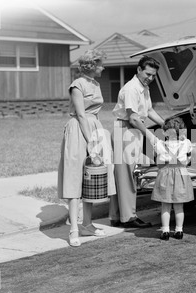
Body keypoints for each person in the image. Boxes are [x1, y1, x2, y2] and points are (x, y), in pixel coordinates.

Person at [57, 49, 116, 247]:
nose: (103, 67)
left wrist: (97, 138)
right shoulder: (77, 85)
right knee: (75, 177)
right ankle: (74, 228)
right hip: (79, 130)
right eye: (100, 64)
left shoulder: (95, 84)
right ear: (91, 65)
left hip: (94, 128)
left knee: (91, 176)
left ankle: (87, 224)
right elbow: (81, 115)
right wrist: (91, 141)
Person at [109, 56, 165, 228]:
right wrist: (152, 138)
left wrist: (165, 124)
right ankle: (129, 218)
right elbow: (133, 118)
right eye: (148, 74)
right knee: (127, 176)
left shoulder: (144, 87)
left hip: (132, 130)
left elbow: (148, 110)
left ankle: (117, 216)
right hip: (126, 130)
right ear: (139, 70)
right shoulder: (132, 89)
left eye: (153, 75)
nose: (150, 78)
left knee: (123, 174)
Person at [145, 117, 194, 240]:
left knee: (165, 206)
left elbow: (156, 157)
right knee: (179, 206)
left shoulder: (160, 145)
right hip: (181, 174)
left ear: (166, 132)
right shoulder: (186, 143)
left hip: (165, 174)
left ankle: (165, 231)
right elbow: (189, 157)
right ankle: (179, 230)